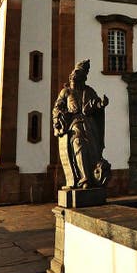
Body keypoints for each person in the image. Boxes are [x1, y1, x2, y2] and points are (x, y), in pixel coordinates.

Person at [52, 60, 111, 189]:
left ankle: (95, 177)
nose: (75, 77)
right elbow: (57, 107)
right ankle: (85, 178)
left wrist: (101, 104)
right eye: (74, 74)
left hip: (90, 125)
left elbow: (95, 104)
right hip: (74, 124)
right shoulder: (65, 92)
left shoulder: (89, 91)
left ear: (83, 77)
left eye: (79, 75)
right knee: (79, 145)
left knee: (94, 150)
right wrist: (59, 118)